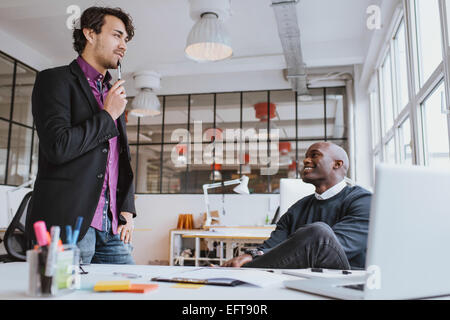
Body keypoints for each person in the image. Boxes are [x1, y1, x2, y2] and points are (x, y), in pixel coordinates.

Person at [26, 7, 137, 264]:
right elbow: (58, 146)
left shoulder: (112, 93)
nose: (124, 46)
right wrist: (107, 115)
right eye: (117, 36)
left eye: (126, 40)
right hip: (68, 225)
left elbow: (120, 158)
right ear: (90, 34)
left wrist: (127, 208)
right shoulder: (54, 81)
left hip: (111, 229)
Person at [221, 141, 372, 270]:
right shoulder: (297, 208)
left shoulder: (363, 201)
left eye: (314, 155)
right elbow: (271, 246)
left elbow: (325, 249)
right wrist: (250, 256)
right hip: (295, 281)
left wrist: (252, 266)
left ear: (337, 164)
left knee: (318, 233)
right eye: (306, 156)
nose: (306, 160)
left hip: (344, 283)